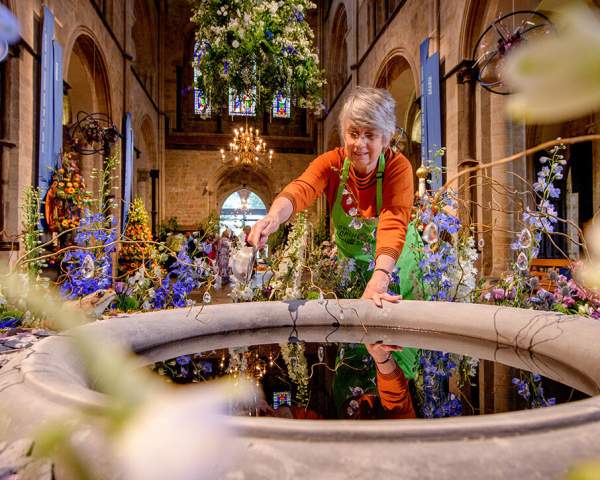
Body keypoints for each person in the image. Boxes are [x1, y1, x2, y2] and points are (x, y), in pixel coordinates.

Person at [248, 87, 418, 307]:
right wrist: (272, 218)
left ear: (385, 138)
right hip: (350, 268)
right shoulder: (332, 163)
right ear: (343, 133)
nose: (359, 144)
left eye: (370, 135)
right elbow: (301, 188)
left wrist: (381, 277)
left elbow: (393, 222)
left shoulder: (397, 167)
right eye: (353, 134)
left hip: (393, 266)